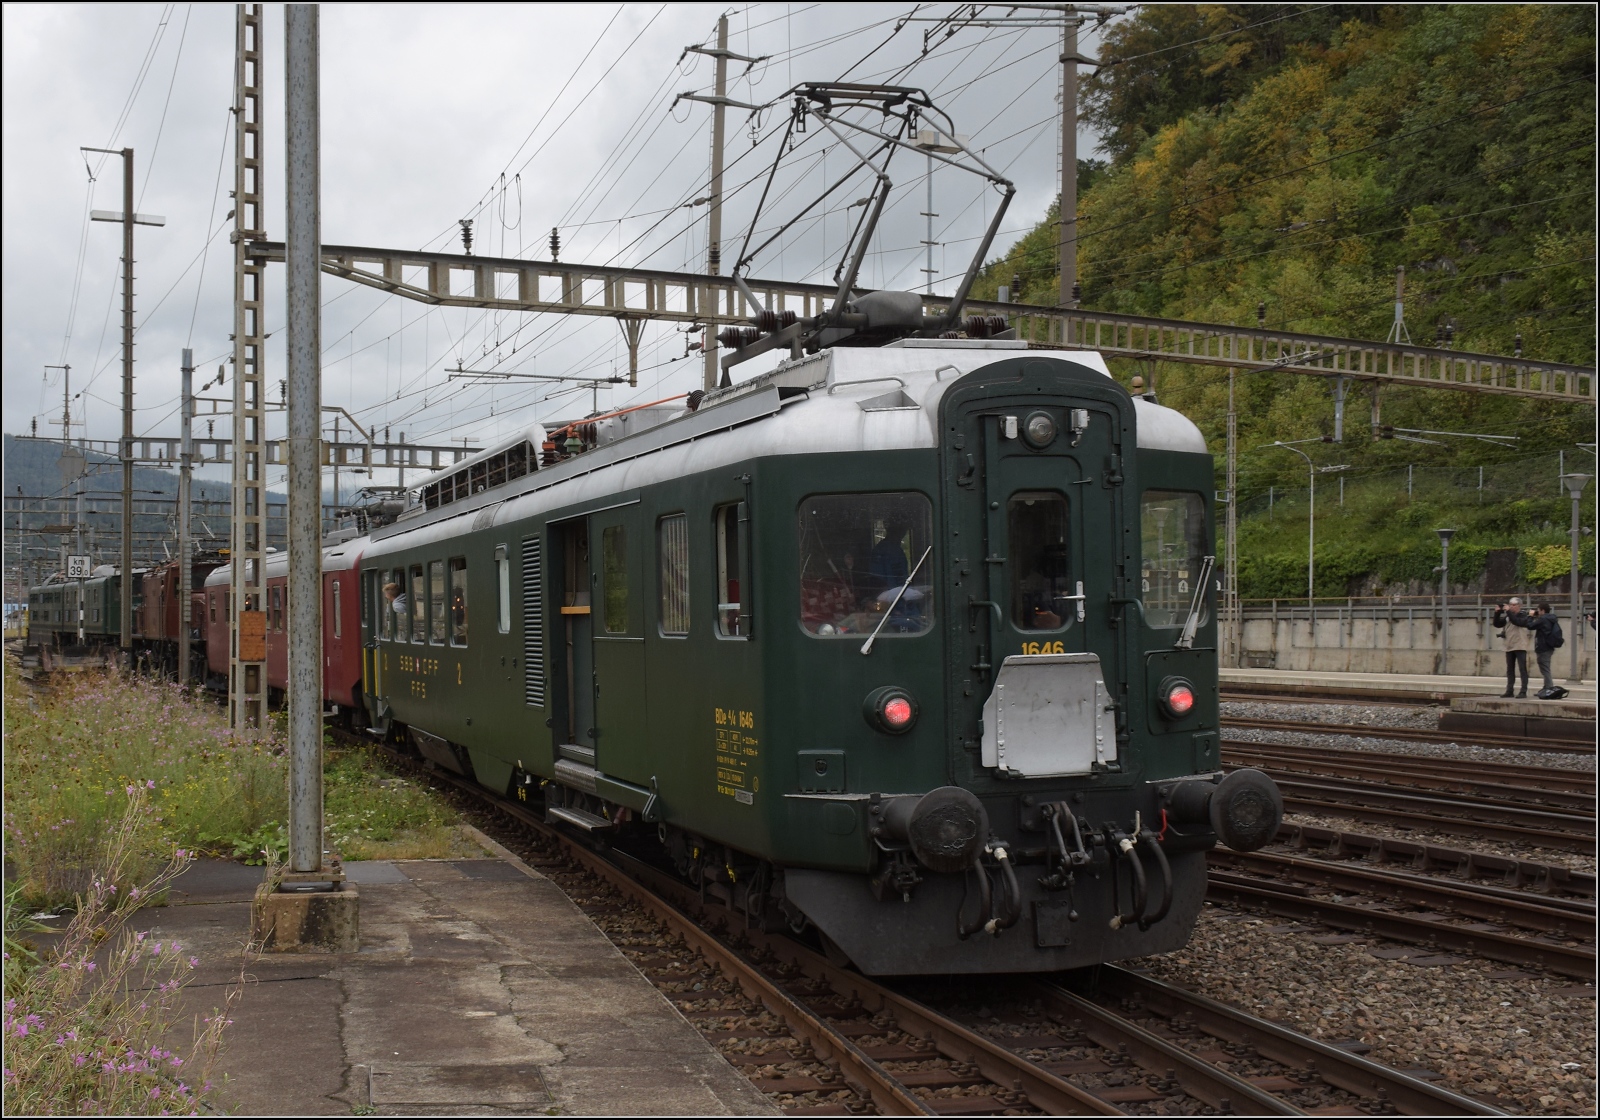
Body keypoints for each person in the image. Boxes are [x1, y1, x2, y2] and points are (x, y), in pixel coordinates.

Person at [1510, 601, 1565, 698]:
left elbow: (1530, 626)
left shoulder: (1543, 619)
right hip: (1549, 646)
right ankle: (1546, 687)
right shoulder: (1551, 618)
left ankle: (1549, 688)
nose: (1538, 612)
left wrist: (1530, 616)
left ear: (1542, 611)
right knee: (1545, 667)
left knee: (1545, 669)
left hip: (1543, 647)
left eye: (1538, 610)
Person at [1491, 597, 1531, 698]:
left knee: (1522, 668)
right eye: (1510, 605)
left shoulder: (1523, 615)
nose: (1511, 607)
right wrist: (1497, 613)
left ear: (1519, 606)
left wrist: (1508, 612)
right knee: (1510, 669)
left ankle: (1523, 691)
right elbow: (1497, 624)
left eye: (1514, 605)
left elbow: (1517, 622)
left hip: (1520, 645)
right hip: (1509, 645)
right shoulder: (1508, 616)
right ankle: (1509, 690)